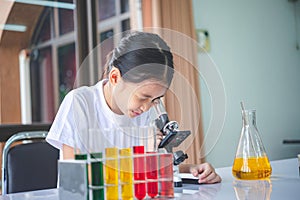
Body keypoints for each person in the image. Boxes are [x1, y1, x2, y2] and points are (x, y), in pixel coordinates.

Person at [46, 31, 221, 184]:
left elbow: (157, 168)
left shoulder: (149, 110)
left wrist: (192, 170)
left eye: (155, 99)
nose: (146, 108)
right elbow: (75, 178)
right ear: (115, 77)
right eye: (143, 97)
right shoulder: (79, 103)